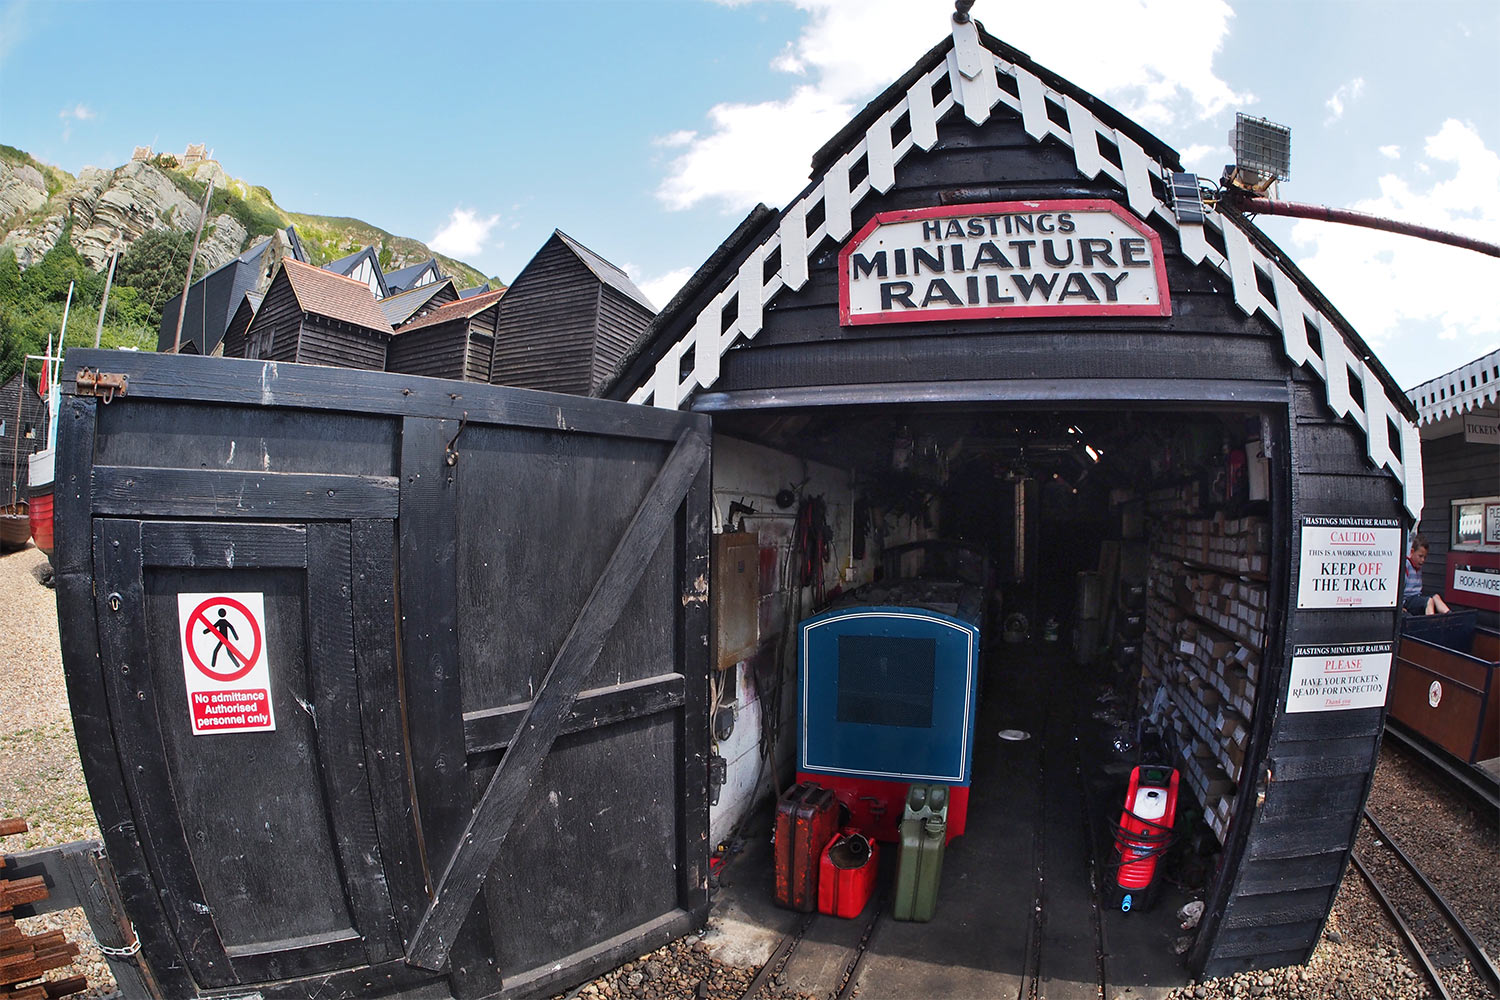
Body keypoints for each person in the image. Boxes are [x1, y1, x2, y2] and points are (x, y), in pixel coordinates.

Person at [1403, 535, 1451, 616]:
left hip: (1417, 597)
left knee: (1436, 597)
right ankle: (1430, 624)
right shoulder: (1406, 565)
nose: (1423, 560)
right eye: (1420, 556)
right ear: (1412, 552)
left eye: (1425, 557)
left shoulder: (1418, 566)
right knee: (1428, 601)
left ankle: (1450, 616)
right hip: (1407, 600)